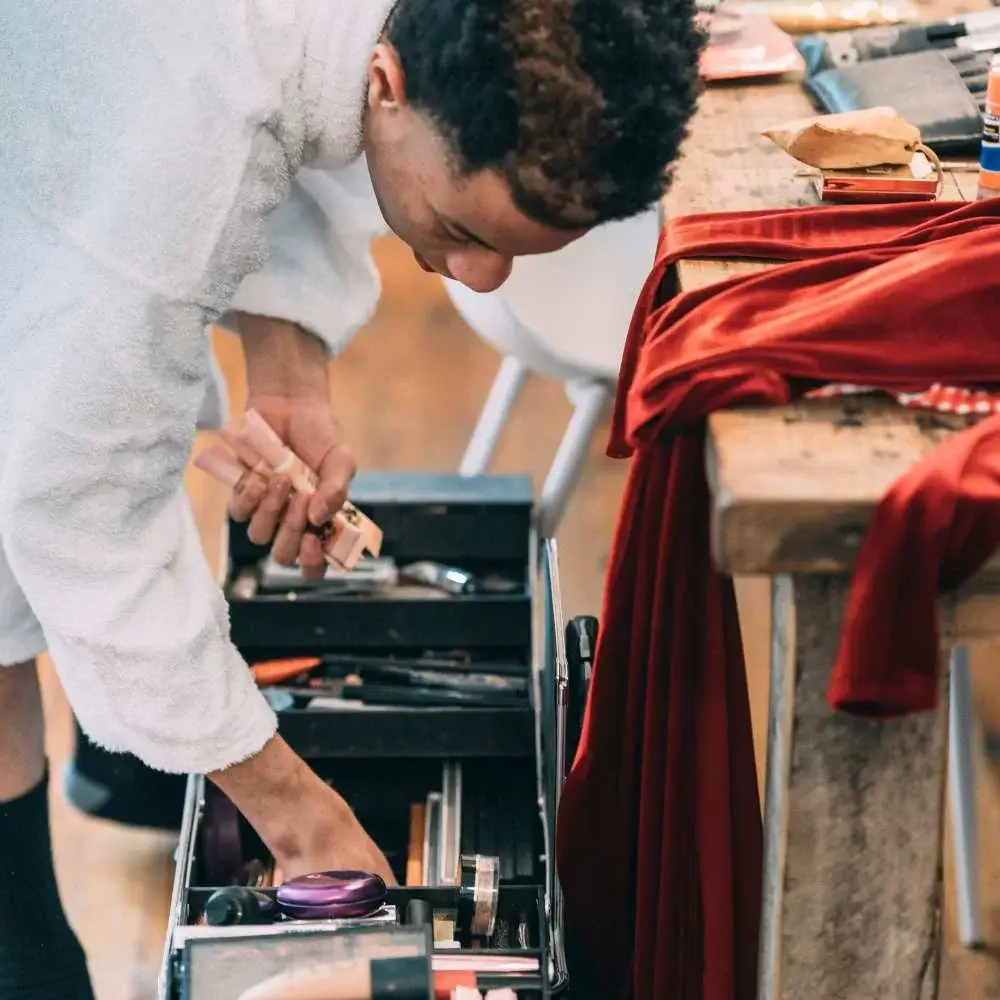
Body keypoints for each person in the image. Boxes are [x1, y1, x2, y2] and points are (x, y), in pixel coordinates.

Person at [0, 0, 702, 997]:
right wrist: (293, 808)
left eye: (516, 249)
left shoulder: (371, 52)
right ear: (387, 80)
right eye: (461, 231)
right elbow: (77, 517)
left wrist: (288, 369)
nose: (480, 276)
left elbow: (296, 119)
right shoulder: (173, 169)